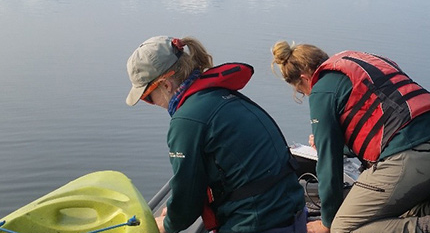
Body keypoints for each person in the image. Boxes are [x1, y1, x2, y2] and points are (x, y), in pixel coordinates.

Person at [270, 42, 430, 233]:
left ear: (305, 78)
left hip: (413, 161)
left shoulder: (322, 89)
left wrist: (327, 221)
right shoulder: (357, 63)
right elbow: (381, 131)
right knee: (379, 211)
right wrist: (336, 146)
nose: (306, 95)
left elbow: (328, 165)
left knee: (343, 227)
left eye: (302, 92)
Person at [126, 36, 307, 233]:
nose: (152, 103)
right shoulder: (221, 96)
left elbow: (186, 205)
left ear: (165, 84)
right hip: (290, 213)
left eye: (147, 97)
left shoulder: (187, 120)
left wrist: (167, 223)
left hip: (260, 223)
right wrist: (176, 207)